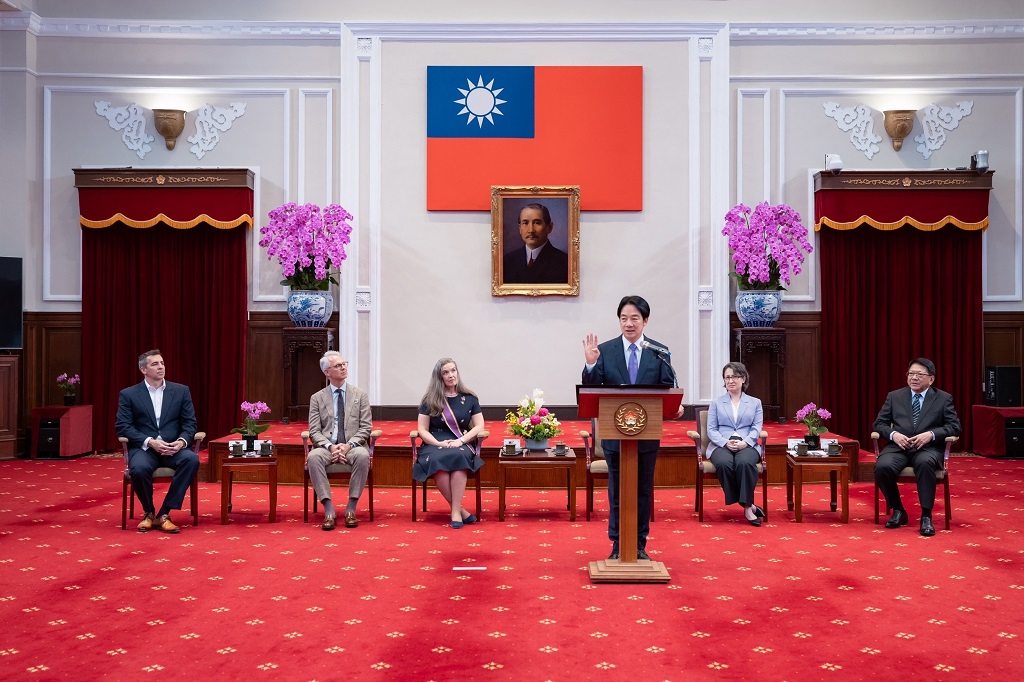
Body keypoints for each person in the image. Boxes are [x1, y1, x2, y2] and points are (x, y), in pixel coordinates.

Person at [581, 295, 679, 561]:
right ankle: (616, 543)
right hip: (615, 436)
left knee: (643, 491)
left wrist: (674, 408)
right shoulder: (605, 351)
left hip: (646, 438)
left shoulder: (659, 352)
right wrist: (590, 363)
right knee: (617, 491)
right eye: (624, 318)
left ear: (645, 321)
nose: (628, 323)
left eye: (635, 318)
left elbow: (668, 390)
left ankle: (638, 544)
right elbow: (592, 389)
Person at [873, 357, 961, 537]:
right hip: (899, 447)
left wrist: (931, 434)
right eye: (911, 374)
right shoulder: (895, 396)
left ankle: (926, 516)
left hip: (928, 448)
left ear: (931, 378)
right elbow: (879, 424)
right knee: (882, 467)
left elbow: (955, 426)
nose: (914, 378)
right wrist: (893, 435)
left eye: (919, 374)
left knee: (925, 463)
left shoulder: (943, 398)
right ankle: (898, 510)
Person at [115, 349, 200, 534]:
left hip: (172, 448)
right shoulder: (129, 394)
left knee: (191, 459)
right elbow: (123, 426)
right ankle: (149, 512)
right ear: (143, 369)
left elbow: (189, 423)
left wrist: (181, 442)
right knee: (138, 469)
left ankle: (164, 513)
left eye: (162, 363)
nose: (161, 367)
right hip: (145, 448)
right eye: (155, 364)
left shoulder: (180, 391)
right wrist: (150, 441)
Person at [413, 357, 486, 528]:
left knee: (458, 456)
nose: (451, 375)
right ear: (439, 377)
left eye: (453, 370)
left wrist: (461, 440)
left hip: (462, 440)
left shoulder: (470, 398)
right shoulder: (429, 400)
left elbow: (480, 425)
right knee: (438, 459)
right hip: (434, 442)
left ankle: (455, 511)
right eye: (445, 372)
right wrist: (440, 444)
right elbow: (422, 429)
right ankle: (459, 510)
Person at [307, 351, 373, 530]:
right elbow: (314, 430)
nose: (343, 367)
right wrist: (330, 447)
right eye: (338, 365)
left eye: (345, 363)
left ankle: (351, 509)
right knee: (313, 457)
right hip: (327, 446)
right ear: (327, 372)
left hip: (353, 445)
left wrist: (348, 445)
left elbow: (366, 427)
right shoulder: (317, 398)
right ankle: (329, 510)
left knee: (362, 455)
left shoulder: (360, 395)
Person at [706, 362, 766, 526]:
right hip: (721, 444)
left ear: (743, 378)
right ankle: (748, 503)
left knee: (744, 463)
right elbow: (711, 429)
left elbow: (756, 427)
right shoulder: (717, 403)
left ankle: (747, 507)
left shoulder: (755, 402)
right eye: (727, 377)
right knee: (724, 463)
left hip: (747, 444)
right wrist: (725, 442)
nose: (731, 380)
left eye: (734, 376)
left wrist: (745, 443)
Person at [502, 203, 570, 284]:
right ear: (520, 228)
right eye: (525, 223)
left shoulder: (565, 263)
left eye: (537, 223)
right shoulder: (507, 261)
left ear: (549, 227)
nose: (531, 230)